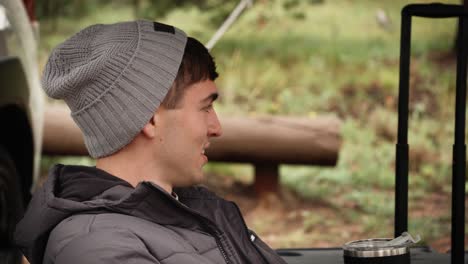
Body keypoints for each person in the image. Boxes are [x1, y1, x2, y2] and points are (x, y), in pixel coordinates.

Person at [14, 20, 287, 264]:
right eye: (205, 108)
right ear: (150, 119)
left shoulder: (193, 209)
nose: (217, 128)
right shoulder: (101, 249)